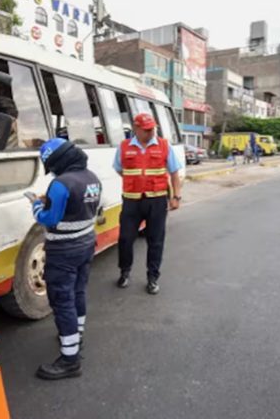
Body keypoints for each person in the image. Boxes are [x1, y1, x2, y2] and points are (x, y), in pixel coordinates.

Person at [31, 138, 102, 380]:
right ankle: (76, 335)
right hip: (86, 244)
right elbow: (83, 209)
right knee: (78, 292)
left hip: (63, 251)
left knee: (62, 301)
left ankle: (70, 360)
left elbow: (50, 220)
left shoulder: (60, 184)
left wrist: (36, 207)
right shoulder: (92, 177)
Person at [114, 113, 182, 295]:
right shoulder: (124, 147)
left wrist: (176, 197)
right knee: (126, 239)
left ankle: (152, 277)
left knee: (156, 241)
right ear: (136, 129)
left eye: (153, 128)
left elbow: (174, 173)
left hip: (157, 201)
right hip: (131, 201)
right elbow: (120, 169)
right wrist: (135, 182)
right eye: (146, 130)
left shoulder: (164, 145)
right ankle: (124, 271)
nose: (151, 132)